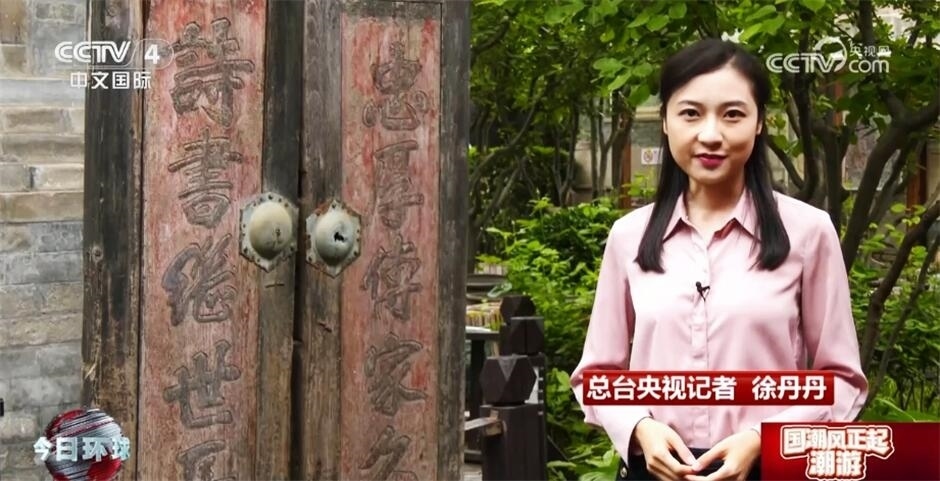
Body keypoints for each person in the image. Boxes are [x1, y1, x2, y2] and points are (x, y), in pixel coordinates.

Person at [569, 38, 869, 481]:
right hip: (656, 470)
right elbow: (597, 375)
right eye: (691, 113)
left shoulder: (808, 233)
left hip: (770, 468)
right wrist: (640, 428)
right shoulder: (629, 237)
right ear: (666, 121)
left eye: (732, 114)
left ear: (760, 122)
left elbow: (842, 379)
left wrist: (764, 438)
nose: (710, 134)